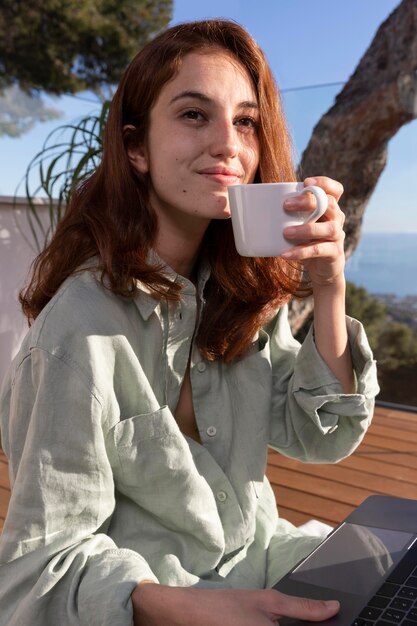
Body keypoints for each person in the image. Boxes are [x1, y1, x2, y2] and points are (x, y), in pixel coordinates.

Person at [0, 18, 379, 626]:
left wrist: (329, 287)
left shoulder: (236, 294)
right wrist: (200, 610)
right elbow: (37, 573)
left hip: (265, 561)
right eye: (194, 115)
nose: (228, 143)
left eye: (246, 121)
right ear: (136, 149)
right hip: (171, 604)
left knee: (393, 567)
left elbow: (321, 436)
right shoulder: (77, 334)